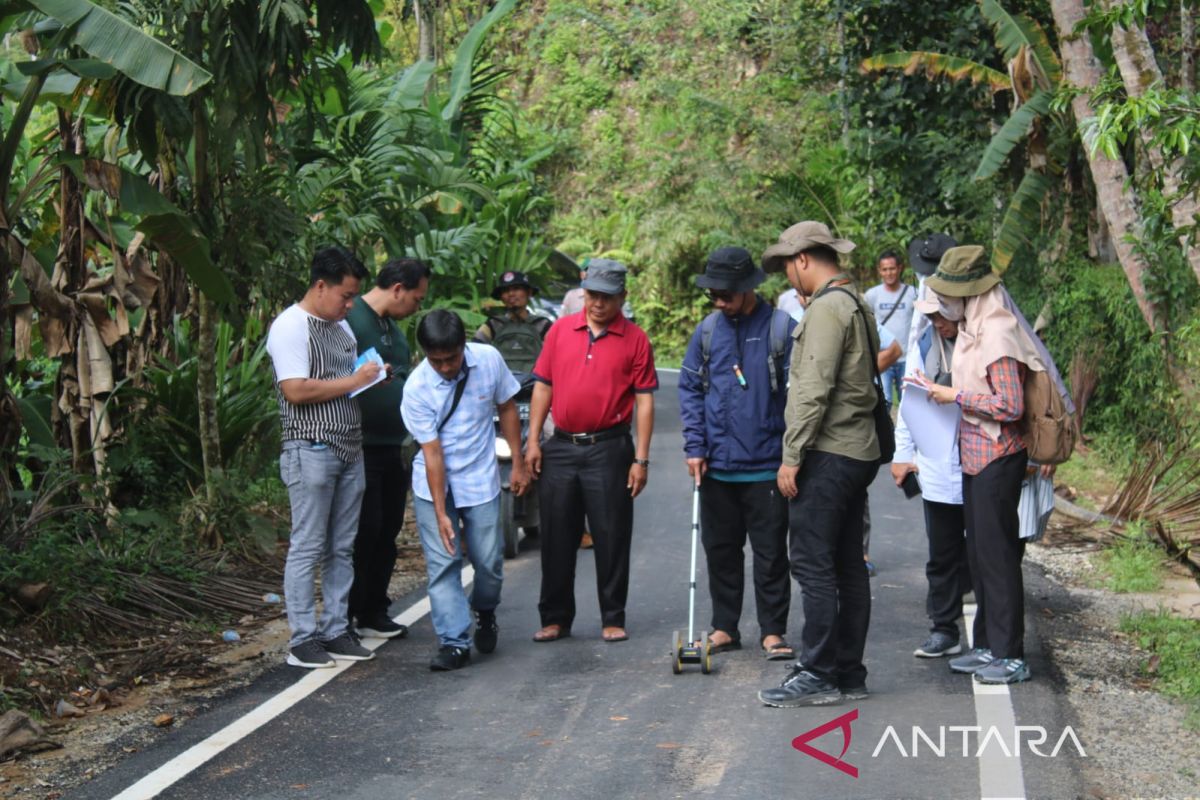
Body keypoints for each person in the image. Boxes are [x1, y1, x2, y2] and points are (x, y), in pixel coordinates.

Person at [916, 245, 1068, 685]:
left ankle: (1011, 654)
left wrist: (954, 397)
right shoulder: (972, 329)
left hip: (1000, 458)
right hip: (975, 456)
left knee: (999, 558)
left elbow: (1009, 405)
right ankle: (986, 645)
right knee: (979, 556)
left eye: (946, 299)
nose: (940, 312)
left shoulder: (998, 334)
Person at [755, 222, 880, 708]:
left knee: (812, 563)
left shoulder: (828, 309)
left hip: (829, 452)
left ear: (804, 258)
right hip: (856, 450)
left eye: (788, 266)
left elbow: (813, 390)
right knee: (848, 563)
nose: (789, 277)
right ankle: (848, 671)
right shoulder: (856, 302)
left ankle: (819, 671)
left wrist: (791, 457)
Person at [525, 259, 657, 644]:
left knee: (611, 534)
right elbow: (543, 387)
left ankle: (612, 617)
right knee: (557, 536)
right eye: (592, 295)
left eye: (606, 297)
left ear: (622, 297)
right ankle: (555, 618)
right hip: (562, 446)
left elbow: (645, 401)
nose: (597, 303)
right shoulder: (560, 331)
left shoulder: (635, 339)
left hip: (610, 447)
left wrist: (641, 459)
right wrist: (534, 440)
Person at [678, 247, 796, 661]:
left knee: (769, 553)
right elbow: (690, 389)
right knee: (721, 551)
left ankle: (773, 630)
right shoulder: (708, 331)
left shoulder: (781, 329)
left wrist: (791, 456)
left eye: (726, 294)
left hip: (767, 466)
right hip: (716, 469)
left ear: (748, 289)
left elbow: (799, 397)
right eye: (713, 294)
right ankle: (725, 626)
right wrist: (695, 446)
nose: (719, 301)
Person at [266, 245, 380, 669]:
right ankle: (302, 639)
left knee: (342, 546)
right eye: (345, 296)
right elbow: (295, 390)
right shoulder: (291, 326)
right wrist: (354, 380)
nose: (350, 305)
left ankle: (335, 628)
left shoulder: (341, 327)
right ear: (320, 285)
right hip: (310, 447)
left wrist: (370, 380)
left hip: (350, 445)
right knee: (309, 544)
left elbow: (345, 381)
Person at [400, 310, 530, 671]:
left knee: (489, 563)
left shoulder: (488, 360)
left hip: (480, 478)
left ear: (464, 347)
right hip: (434, 483)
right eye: (436, 360)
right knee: (444, 564)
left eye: (451, 359)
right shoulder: (416, 388)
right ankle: (454, 642)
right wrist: (441, 513)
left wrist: (517, 462)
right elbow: (432, 453)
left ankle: (485, 611)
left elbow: (506, 406)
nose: (444, 367)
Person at [344, 258, 430, 640]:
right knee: (365, 528)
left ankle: (374, 608)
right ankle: (347, 611)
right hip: (358, 444)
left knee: (388, 529)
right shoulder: (351, 318)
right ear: (397, 289)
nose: (417, 306)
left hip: (394, 446)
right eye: (416, 297)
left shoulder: (394, 329)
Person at [891, 284, 972, 659]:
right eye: (932, 316)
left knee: (985, 550)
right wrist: (903, 453)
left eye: (943, 314)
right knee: (941, 552)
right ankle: (943, 627)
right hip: (938, 461)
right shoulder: (925, 345)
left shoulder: (983, 341)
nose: (938, 322)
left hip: (982, 460)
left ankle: (992, 633)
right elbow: (910, 401)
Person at [864, 249, 916, 406]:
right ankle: (885, 431)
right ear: (879, 271)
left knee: (908, 402)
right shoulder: (872, 295)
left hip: (907, 357)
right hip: (884, 356)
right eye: (885, 269)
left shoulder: (913, 293)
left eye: (892, 268)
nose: (889, 273)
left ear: (900, 268)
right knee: (883, 400)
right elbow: (868, 324)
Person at [474, 270, 552, 369]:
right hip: (500, 383)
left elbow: (560, 353)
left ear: (529, 293)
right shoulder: (493, 325)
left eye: (516, 288)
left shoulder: (543, 324)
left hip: (536, 383)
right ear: (501, 297)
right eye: (506, 291)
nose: (511, 294)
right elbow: (475, 351)